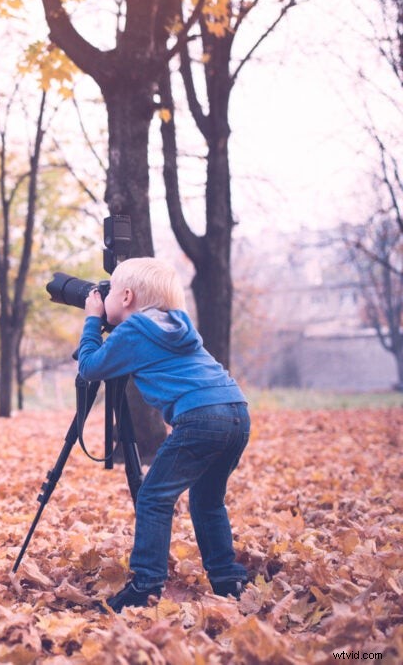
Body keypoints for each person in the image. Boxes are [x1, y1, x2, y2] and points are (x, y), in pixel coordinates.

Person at [77, 257, 250, 612]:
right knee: (208, 500)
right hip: (236, 410)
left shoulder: (134, 331)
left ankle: (146, 584)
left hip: (200, 417)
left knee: (154, 497)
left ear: (125, 297)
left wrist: (92, 319)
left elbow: (90, 367)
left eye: (109, 293)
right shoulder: (178, 324)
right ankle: (227, 578)